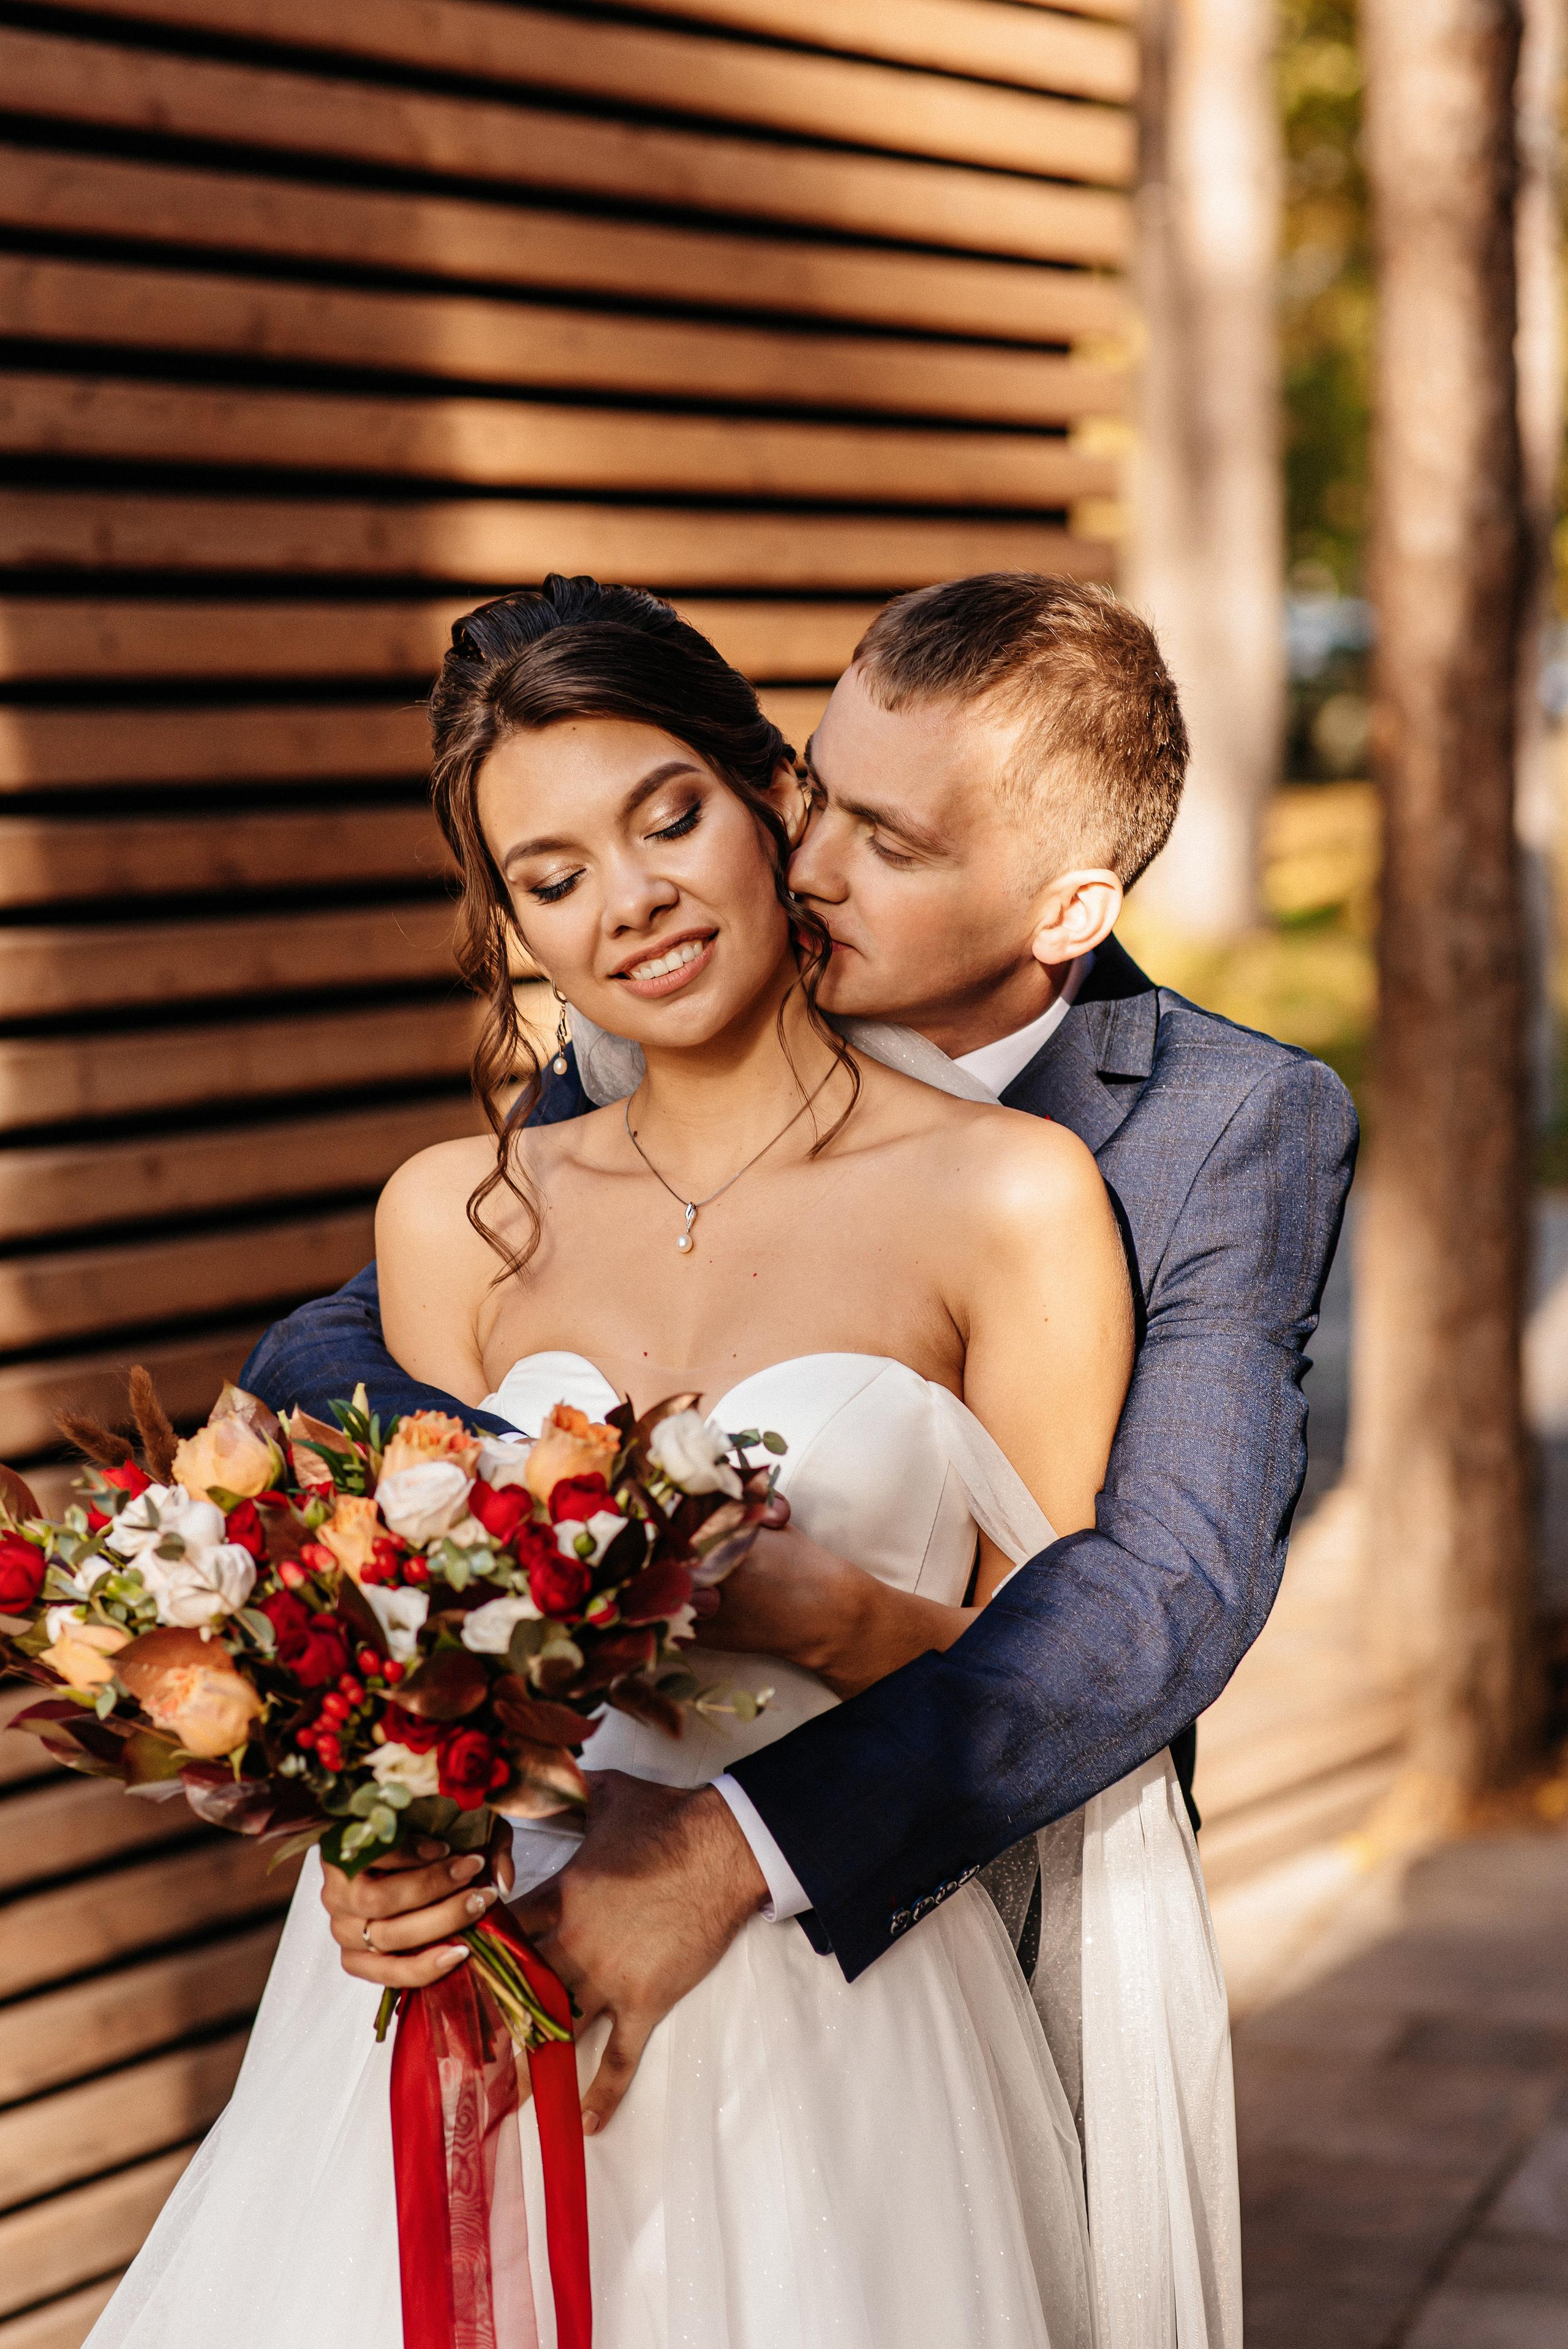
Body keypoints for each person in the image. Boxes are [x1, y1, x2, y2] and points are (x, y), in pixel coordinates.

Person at [88, 574, 1276, 2349]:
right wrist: (373, 1844)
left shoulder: (1017, 1199)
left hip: (835, 1987)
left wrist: (811, 1611)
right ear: (511, 926)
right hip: (489, 1966)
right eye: (552, 877)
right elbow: (361, 1598)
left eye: (668, 817)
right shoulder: (457, 1217)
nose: (631, 900)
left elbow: (1079, 1657)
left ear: (758, 804)